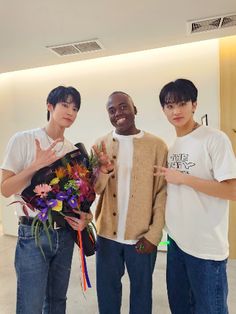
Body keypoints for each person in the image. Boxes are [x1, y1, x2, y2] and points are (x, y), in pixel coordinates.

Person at [0, 86, 92, 314]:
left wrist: (86, 218)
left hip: (65, 235)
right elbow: (5, 189)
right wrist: (36, 166)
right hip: (33, 235)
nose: (70, 111)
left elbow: (79, 198)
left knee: (57, 301)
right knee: (30, 304)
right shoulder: (24, 140)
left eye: (75, 108)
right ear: (49, 106)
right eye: (65, 105)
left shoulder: (73, 151)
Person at [155, 78, 236, 314]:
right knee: (180, 308)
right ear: (164, 110)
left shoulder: (214, 139)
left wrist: (184, 179)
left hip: (206, 248)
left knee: (210, 309)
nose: (176, 111)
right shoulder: (175, 145)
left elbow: (232, 190)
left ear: (194, 105)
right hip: (177, 243)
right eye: (169, 106)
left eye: (182, 103)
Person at [92, 91, 168, 314]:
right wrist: (104, 172)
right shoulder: (100, 145)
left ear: (135, 109)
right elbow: (94, 190)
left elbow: (162, 192)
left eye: (124, 106)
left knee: (142, 295)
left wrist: (154, 235)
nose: (119, 113)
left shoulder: (157, 146)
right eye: (112, 110)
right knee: (107, 295)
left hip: (142, 237)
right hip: (107, 237)